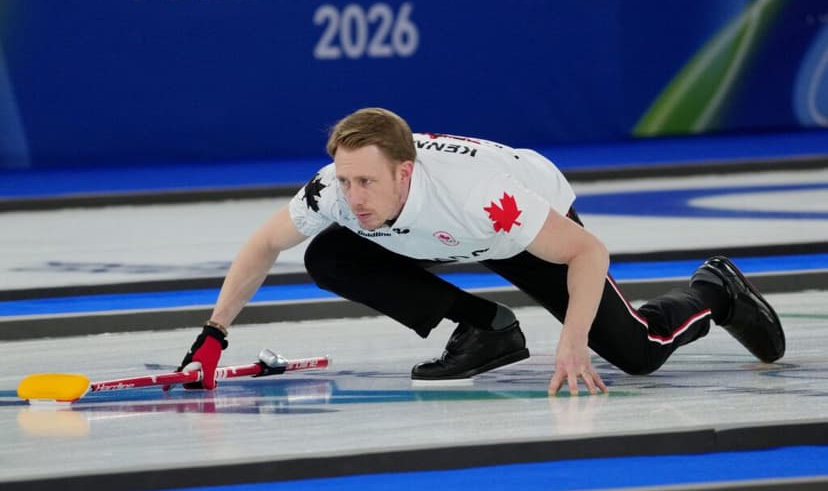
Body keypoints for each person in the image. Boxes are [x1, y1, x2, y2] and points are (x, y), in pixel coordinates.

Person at [172, 107, 786, 395]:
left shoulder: (483, 201)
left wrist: (571, 344)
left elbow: (588, 253)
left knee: (637, 355)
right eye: (346, 181)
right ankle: (486, 327)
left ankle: (715, 289)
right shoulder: (335, 191)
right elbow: (263, 244)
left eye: (368, 182)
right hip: (433, 236)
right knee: (328, 255)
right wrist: (214, 332)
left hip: (509, 230)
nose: (352, 197)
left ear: (406, 173)